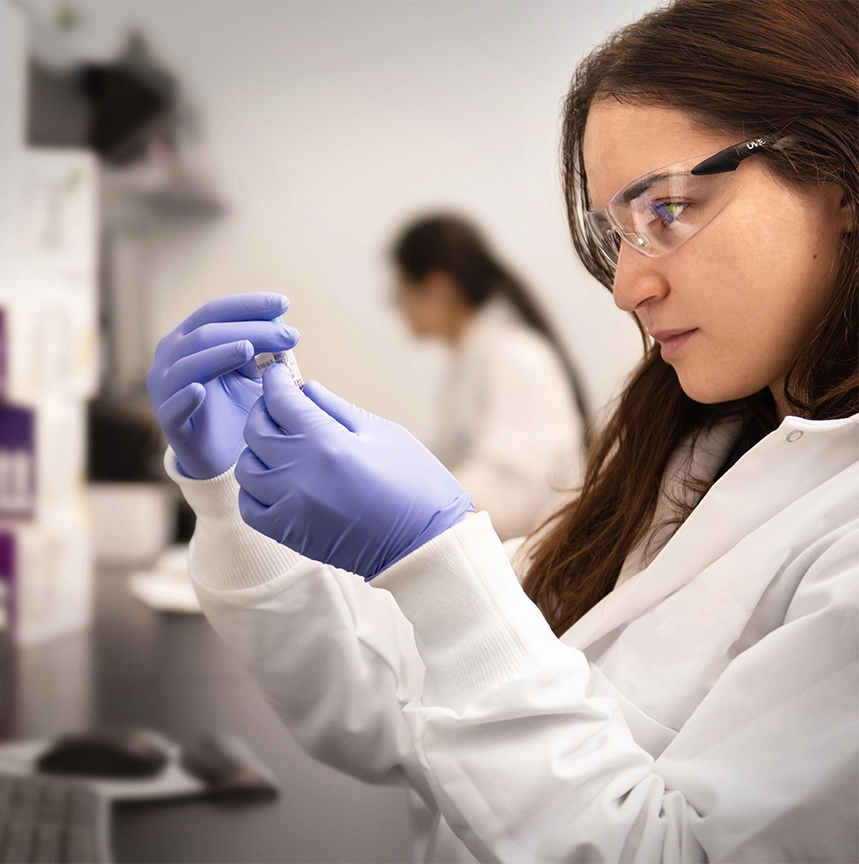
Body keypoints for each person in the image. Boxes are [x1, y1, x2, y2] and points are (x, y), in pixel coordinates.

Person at [146, 0, 858, 861]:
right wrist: (228, 496)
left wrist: (433, 542)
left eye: (668, 208)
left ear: (841, 179)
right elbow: (407, 699)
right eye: (615, 233)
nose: (627, 285)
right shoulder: (696, 449)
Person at [390, 214, 588, 540]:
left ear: (438, 288)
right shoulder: (465, 369)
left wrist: (411, 513)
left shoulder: (513, 356)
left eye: (400, 289)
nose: (397, 305)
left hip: (547, 562)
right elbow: (442, 465)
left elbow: (518, 488)